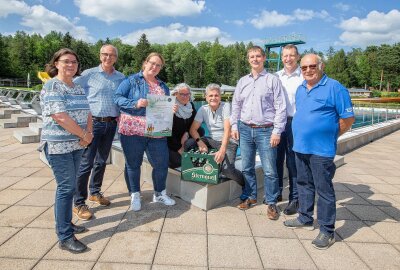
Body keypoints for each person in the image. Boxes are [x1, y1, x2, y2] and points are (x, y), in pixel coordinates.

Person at [283, 54, 355, 249]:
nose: (307, 70)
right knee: (304, 184)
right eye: (304, 67)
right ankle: (305, 218)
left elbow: (348, 120)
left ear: (321, 66)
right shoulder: (300, 89)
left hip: (321, 150)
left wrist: (329, 135)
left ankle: (327, 231)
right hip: (300, 147)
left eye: (312, 66)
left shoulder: (334, 87)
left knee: (324, 190)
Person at [40, 48, 93, 253]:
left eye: (74, 62)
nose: (71, 65)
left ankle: (67, 224)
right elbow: (60, 116)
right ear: (56, 64)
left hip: (77, 146)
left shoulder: (77, 87)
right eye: (66, 61)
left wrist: (88, 132)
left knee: (70, 187)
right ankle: (64, 236)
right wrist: (84, 134)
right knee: (66, 188)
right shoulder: (53, 86)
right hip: (58, 147)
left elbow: (87, 112)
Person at [114, 52, 176, 212]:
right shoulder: (131, 80)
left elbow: (163, 107)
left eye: (158, 65)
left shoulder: (163, 86)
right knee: (133, 164)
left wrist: (171, 109)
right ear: (145, 63)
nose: (154, 67)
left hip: (157, 131)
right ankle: (135, 194)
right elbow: (117, 98)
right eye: (152, 63)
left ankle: (159, 193)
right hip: (133, 129)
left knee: (161, 164)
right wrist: (136, 103)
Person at [231, 45, 286, 220]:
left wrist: (277, 131)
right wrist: (234, 126)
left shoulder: (272, 80)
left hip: (266, 130)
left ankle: (271, 203)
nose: (255, 59)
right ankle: (250, 196)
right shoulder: (242, 81)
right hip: (245, 129)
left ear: (264, 58)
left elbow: (280, 107)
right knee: (247, 167)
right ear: (248, 59)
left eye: (258, 56)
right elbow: (236, 105)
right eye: (251, 56)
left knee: (270, 170)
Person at [72, 44, 125, 220]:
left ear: (116, 58)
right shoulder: (89, 74)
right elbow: (71, 86)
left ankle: (95, 192)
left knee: (102, 161)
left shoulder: (120, 77)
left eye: (111, 55)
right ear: (100, 55)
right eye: (104, 54)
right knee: (86, 162)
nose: (108, 58)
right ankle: (79, 202)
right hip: (92, 123)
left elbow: (124, 98)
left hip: (111, 124)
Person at [185, 83, 244, 185]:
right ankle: (199, 169)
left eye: (216, 95)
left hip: (228, 142)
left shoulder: (226, 106)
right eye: (211, 95)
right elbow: (193, 129)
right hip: (211, 140)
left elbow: (227, 130)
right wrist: (200, 142)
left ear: (220, 97)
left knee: (228, 171)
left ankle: (246, 185)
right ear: (206, 97)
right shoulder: (203, 109)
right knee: (189, 144)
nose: (213, 98)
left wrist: (222, 150)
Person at [275, 44, 304, 215]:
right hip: (278, 122)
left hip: (296, 123)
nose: (288, 59)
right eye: (285, 56)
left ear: (297, 57)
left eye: (291, 55)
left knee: (293, 162)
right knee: (276, 159)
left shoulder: (304, 76)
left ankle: (295, 198)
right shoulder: (276, 77)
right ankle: (278, 192)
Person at [167, 83, 203, 169]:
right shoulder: (170, 106)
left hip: (184, 137)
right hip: (172, 140)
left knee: (201, 130)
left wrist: (187, 133)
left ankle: (188, 149)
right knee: (176, 162)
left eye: (187, 94)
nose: (185, 96)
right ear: (175, 94)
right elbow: (167, 131)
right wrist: (179, 148)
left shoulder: (190, 106)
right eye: (182, 94)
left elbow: (193, 124)